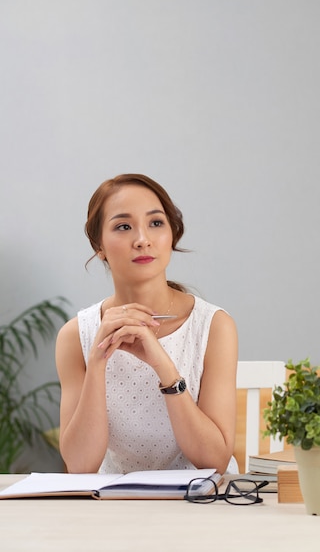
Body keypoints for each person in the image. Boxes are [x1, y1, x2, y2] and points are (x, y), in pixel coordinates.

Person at [55, 173, 238, 475]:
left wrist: (163, 367)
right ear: (98, 245)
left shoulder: (214, 326)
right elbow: (80, 465)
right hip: (114, 506)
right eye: (123, 227)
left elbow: (214, 461)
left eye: (155, 223)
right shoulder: (75, 335)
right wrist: (98, 361)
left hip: (201, 505)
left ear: (172, 235)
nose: (143, 240)